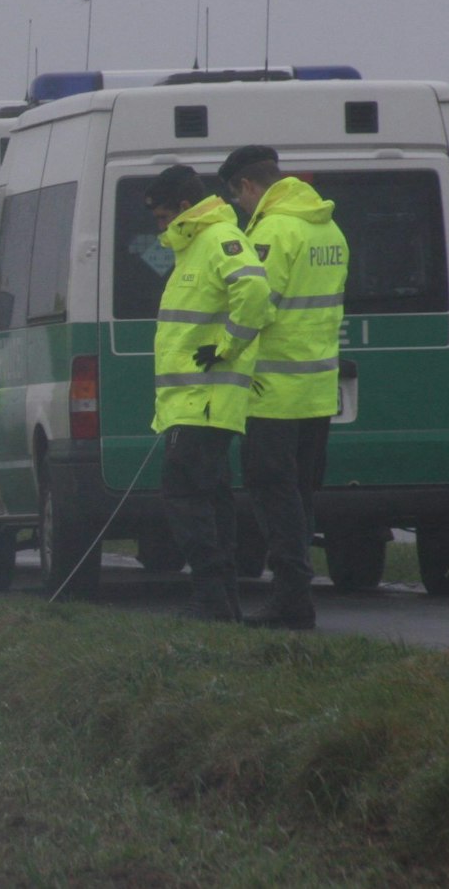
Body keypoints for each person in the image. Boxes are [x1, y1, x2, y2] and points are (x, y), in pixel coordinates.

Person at [220, 145, 348, 630]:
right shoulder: (328, 227)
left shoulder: (273, 230)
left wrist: (225, 348)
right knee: (299, 495)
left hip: (273, 391)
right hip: (317, 390)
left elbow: (257, 303)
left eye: (238, 198)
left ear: (248, 186)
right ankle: (296, 593)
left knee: (274, 495)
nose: (240, 208)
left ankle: (291, 597)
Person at [146, 165, 272, 621]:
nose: (160, 226)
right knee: (210, 498)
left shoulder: (218, 238)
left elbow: (254, 290)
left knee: (186, 497)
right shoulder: (193, 246)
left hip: (204, 400)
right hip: (192, 402)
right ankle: (222, 598)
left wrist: (227, 347)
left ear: (185, 207)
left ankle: (211, 596)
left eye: (164, 217)